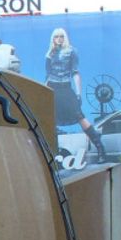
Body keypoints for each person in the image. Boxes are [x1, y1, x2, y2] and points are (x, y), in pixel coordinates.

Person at [45, 28, 106, 163]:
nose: (59, 39)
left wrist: (78, 93)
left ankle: (100, 148)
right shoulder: (50, 53)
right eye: (56, 36)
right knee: (51, 120)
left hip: (66, 89)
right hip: (53, 89)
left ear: (65, 37)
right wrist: (44, 92)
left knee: (80, 116)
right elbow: (48, 75)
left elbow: (75, 72)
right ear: (53, 39)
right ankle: (53, 156)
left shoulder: (72, 51)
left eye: (61, 36)